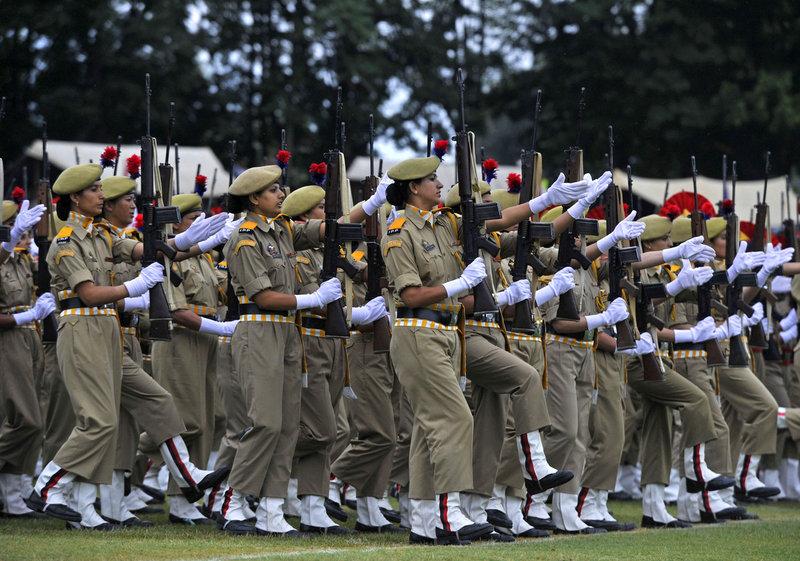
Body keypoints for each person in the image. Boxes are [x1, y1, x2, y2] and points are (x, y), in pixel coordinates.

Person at [381, 155, 592, 544]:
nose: (439, 184)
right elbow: (409, 294)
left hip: (449, 333)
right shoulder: (398, 232)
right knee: (454, 418)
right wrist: (458, 285)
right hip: (419, 331)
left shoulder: (445, 223)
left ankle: (425, 521)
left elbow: (502, 221)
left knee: (432, 428)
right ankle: (449, 514)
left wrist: (548, 200)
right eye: (432, 179)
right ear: (413, 187)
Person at [29, 163, 230, 529]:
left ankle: (188, 474)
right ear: (75, 197)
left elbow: (148, 251)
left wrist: (189, 242)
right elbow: (89, 294)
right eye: (94, 190)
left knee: (157, 400)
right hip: (82, 328)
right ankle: (47, 485)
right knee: (99, 421)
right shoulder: (65, 241)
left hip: (108, 331)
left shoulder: (103, 235)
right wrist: (134, 288)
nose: (100, 195)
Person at [217, 166, 343, 536]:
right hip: (259, 329)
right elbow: (263, 296)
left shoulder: (281, 230)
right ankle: (233, 500)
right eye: (273, 190)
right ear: (254, 198)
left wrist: (370, 205)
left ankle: (271, 510)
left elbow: (328, 228)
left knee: (287, 426)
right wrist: (312, 299)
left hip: (287, 332)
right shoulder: (244, 238)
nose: (281, 194)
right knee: (265, 422)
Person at [150, 193, 239, 524]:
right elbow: (177, 311)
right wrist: (221, 327)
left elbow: (223, 292)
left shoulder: (204, 258)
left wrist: (230, 245)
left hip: (206, 339)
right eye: (193, 220)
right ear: (177, 226)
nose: (202, 225)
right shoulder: (170, 258)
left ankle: (185, 497)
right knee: (186, 420)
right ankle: (140, 447)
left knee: (207, 419)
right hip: (181, 339)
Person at [0, 198, 51, 517]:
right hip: (9, 337)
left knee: (34, 419)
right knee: (25, 419)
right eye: (15, 229)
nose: (24, 235)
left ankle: (13, 495)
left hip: (30, 336)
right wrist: (24, 317)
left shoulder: (21, 261)